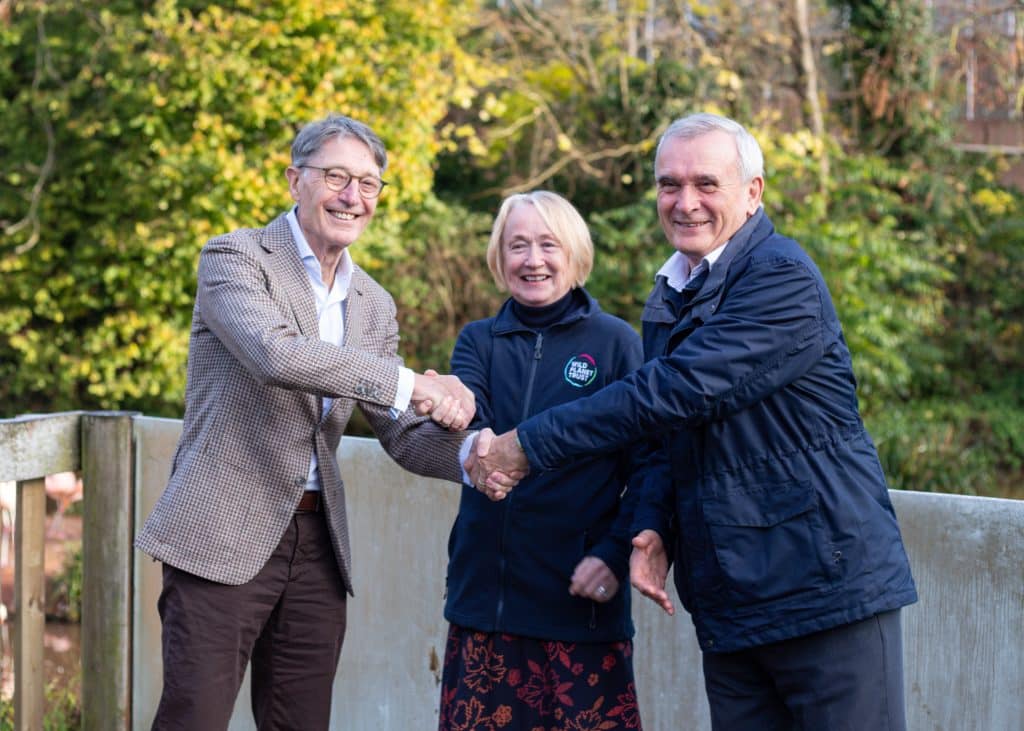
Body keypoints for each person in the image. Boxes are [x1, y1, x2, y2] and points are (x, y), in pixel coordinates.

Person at [467, 113, 918, 730]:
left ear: (753, 192)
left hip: (824, 590)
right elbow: (665, 440)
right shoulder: (674, 292)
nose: (685, 202)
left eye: (706, 184)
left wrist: (530, 443)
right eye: (668, 185)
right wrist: (653, 525)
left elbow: (674, 393)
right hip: (732, 600)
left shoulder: (781, 277)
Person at [135, 113, 477, 731]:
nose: (353, 197)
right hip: (221, 535)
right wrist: (416, 384)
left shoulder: (372, 301)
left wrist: (476, 454)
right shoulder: (235, 257)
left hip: (318, 547)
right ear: (296, 180)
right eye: (337, 177)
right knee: (194, 719)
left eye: (369, 184)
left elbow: (397, 431)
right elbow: (277, 356)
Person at [439, 191, 644, 730]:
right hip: (486, 605)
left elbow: (649, 468)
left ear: (574, 252)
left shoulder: (619, 344)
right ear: (498, 257)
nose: (533, 260)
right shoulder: (478, 341)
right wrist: (459, 427)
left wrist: (615, 554)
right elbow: (467, 426)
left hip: (581, 609)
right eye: (518, 246)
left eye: (547, 244)